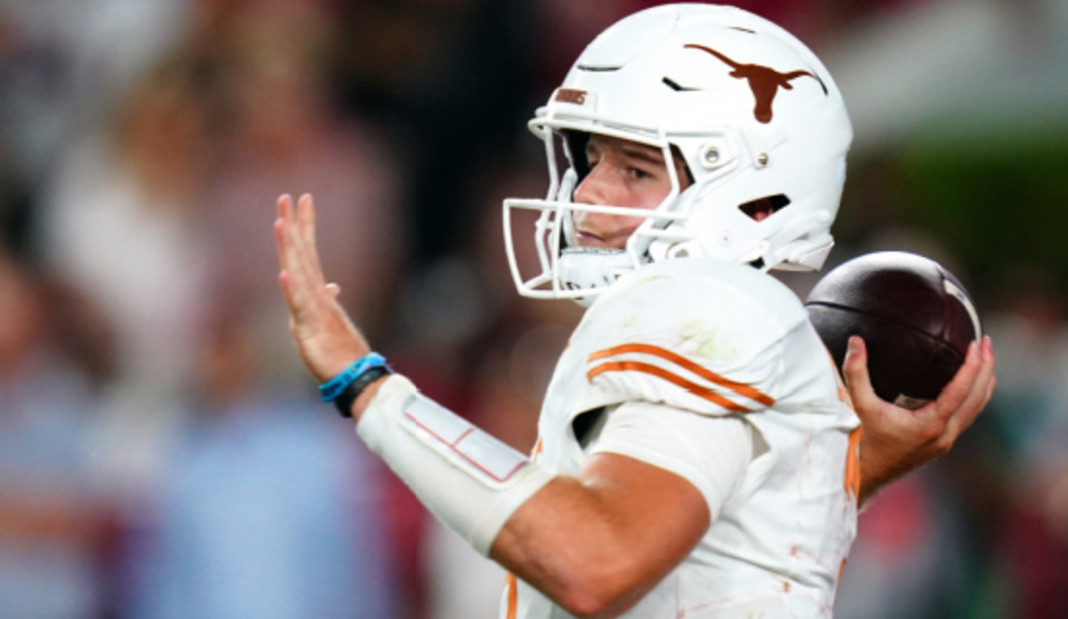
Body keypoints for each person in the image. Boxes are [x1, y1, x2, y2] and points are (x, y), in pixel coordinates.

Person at [273, 4, 995, 617]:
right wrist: (847, 474)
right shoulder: (752, 321)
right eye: (591, 161)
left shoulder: (702, 308)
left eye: (635, 168)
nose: (587, 194)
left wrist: (367, 386)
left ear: (755, 195)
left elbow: (596, 560)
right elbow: (725, 568)